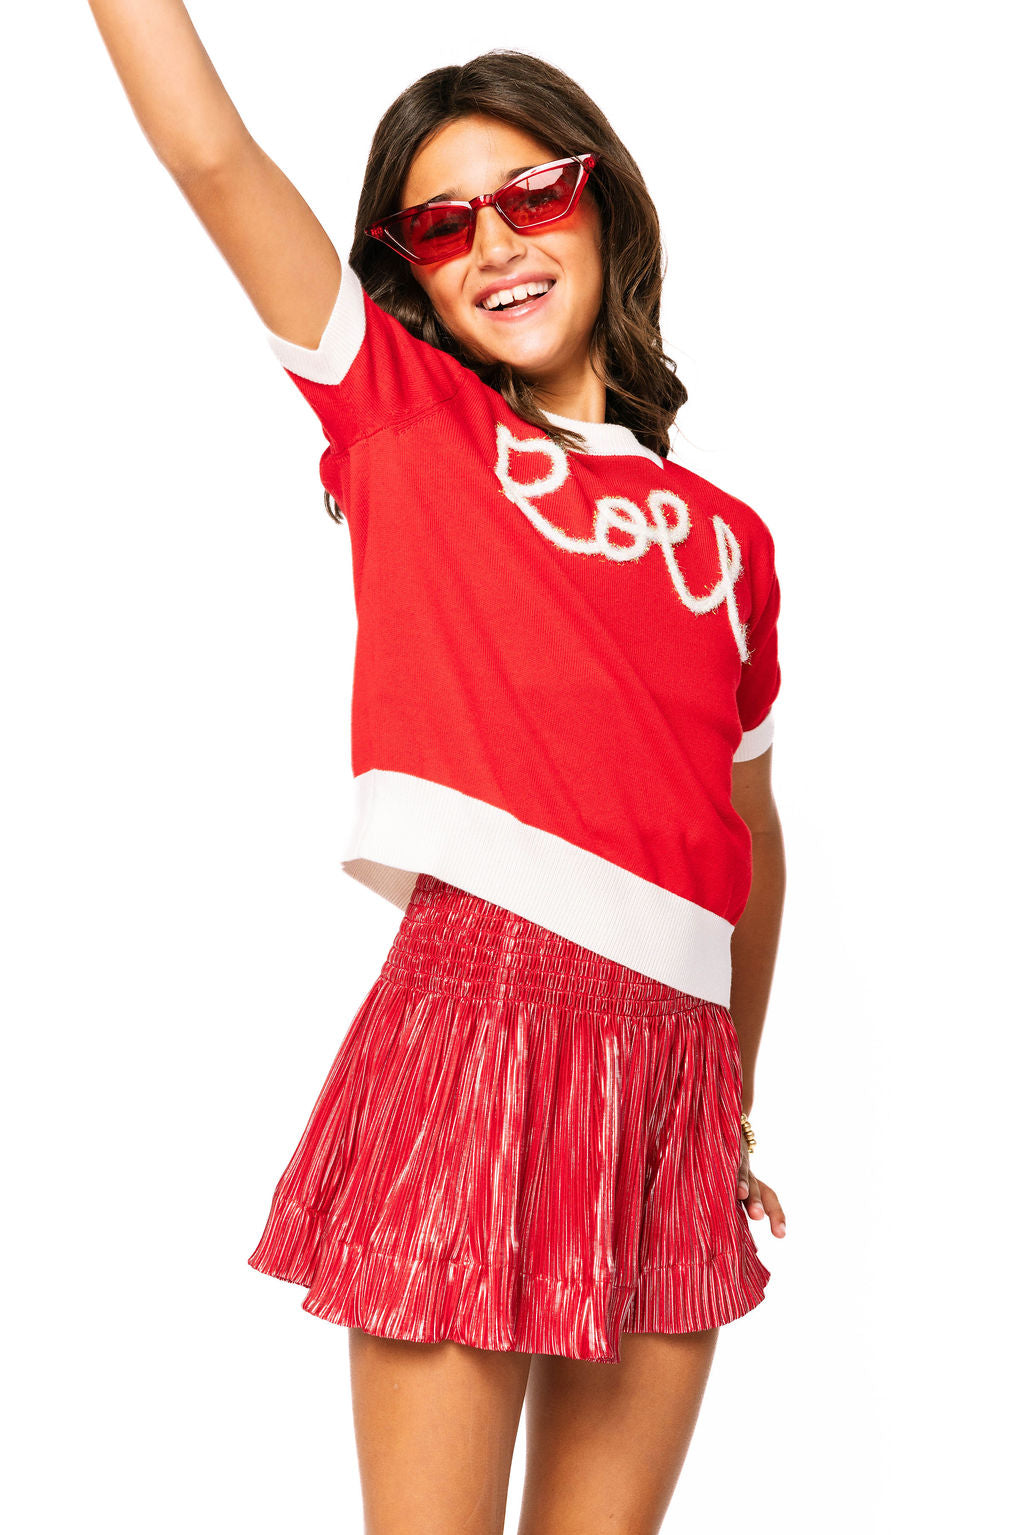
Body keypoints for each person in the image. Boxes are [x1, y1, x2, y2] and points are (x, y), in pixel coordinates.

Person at [89, 6, 789, 1531]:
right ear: (411, 271)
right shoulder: (410, 422)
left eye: (536, 194)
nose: (499, 245)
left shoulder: (733, 542)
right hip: (480, 1023)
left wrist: (725, 1107)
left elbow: (750, 836)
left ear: (605, 205)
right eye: (446, 224)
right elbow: (209, 154)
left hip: (676, 1084)